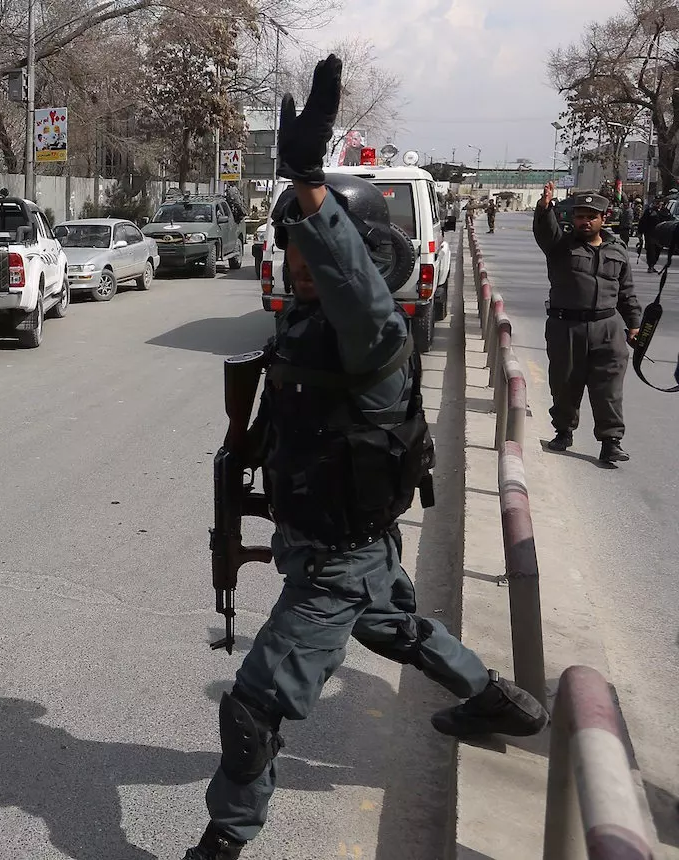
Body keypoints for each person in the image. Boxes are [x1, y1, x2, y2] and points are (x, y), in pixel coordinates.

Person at [184, 56, 548, 860]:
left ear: (358, 255)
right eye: (291, 245)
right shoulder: (308, 329)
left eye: (313, 246)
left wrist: (310, 182)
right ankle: (498, 701)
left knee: (253, 708)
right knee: (399, 629)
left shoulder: (371, 333)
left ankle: (223, 840)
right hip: (348, 542)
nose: (297, 258)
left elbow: (352, 285)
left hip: (336, 562)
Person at [533, 183, 641, 465]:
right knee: (565, 382)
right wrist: (544, 208)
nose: (585, 221)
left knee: (609, 388)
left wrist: (634, 324)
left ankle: (611, 442)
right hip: (566, 327)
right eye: (580, 216)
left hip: (608, 328)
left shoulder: (617, 249)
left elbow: (626, 291)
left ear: (603, 218)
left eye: (591, 216)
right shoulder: (560, 245)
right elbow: (544, 230)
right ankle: (563, 431)